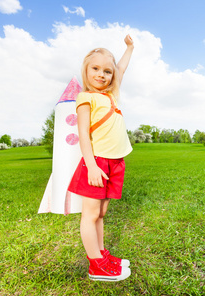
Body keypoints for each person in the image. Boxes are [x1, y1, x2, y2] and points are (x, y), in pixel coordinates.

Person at [67, 35, 134, 281]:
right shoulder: (86, 97)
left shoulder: (112, 93)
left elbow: (122, 68)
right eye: (95, 68)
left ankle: (102, 254)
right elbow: (83, 134)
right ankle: (96, 264)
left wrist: (130, 48)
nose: (101, 74)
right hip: (97, 162)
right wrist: (92, 166)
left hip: (115, 161)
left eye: (107, 71)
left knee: (101, 213)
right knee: (90, 213)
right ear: (86, 70)